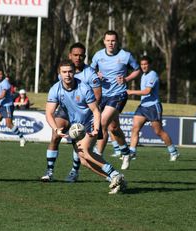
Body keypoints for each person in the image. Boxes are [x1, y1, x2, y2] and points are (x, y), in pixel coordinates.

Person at [46, 60, 126, 194]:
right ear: (59, 73)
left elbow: (95, 111)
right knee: (84, 161)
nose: (67, 75)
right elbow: (49, 112)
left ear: (74, 72)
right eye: (64, 72)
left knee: (84, 151)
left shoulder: (84, 88)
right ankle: (113, 178)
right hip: (77, 126)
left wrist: (96, 128)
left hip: (91, 123)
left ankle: (115, 173)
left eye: (70, 71)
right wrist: (55, 128)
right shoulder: (55, 89)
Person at [41, 42, 102, 183]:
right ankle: (49, 171)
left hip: (84, 112)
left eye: (81, 55)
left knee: (78, 142)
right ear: (70, 55)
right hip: (65, 111)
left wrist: (88, 114)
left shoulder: (91, 73)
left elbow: (97, 97)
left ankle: (74, 171)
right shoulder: (64, 70)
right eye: (75, 55)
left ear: (85, 57)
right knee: (55, 135)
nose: (78, 58)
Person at [91, 30, 141, 170]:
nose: (110, 43)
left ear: (117, 41)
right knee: (114, 127)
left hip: (119, 94)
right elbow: (90, 70)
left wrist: (126, 79)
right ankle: (126, 153)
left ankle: (97, 154)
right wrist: (96, 74)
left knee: (102, 122)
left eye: (113, 40)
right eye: (108, 40)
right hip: (103, 95)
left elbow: (137, 70)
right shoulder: (98, 55)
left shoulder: (125, 56)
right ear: (104, 41)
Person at [127, 56, 179, 161]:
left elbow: (147, 91)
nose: (143, 66)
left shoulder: (153, 75)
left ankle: (173, 151)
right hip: (143, 106)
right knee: (134, 129)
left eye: (145, 64)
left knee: (158, 132)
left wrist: (131, 92)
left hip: (153, 107)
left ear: (149, 65)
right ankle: (132, 152)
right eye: (142, 64)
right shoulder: (143, 75)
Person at [0, 69, 26, 147]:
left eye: (0, 74)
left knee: (9, 125)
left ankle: (22, 138)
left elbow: (3, 95)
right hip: (1, 105)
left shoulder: (5, 82)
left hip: (7, 106)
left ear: (3, 75)